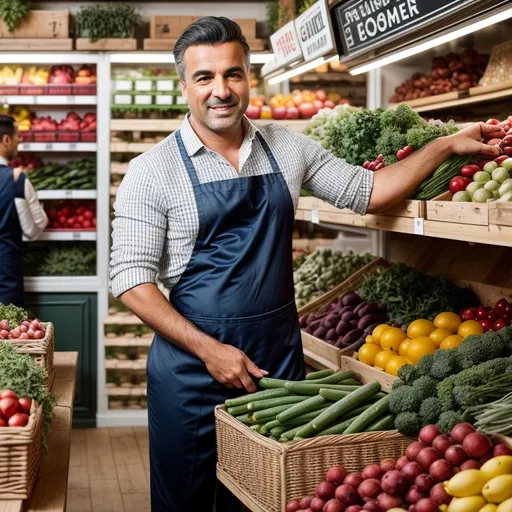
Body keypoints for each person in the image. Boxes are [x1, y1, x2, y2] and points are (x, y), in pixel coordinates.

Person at [109, 17, 504, 512]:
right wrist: (211, 351)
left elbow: (368, 191)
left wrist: (444, 145)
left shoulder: (288, 146)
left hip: (277, 361)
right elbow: (130, 281)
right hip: (191, 371)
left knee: (264, 498)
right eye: (205, 77)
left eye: (233, 74)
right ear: (184, 85)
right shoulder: (152, 170)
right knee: (186, 500)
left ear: (250, 77)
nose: (221, 90)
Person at [0, 115, 47, 307]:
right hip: (5, 277)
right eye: (17, 136)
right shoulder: (16, 179)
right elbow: (32, 230)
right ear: (6, 140)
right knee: (10, 334)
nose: (19, 141)